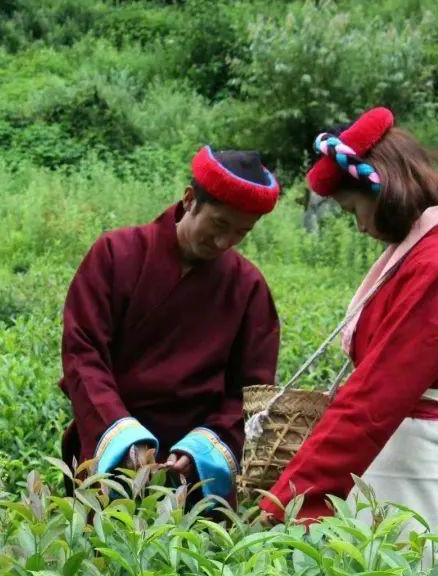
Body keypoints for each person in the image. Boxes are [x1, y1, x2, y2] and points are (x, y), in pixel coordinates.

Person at [259, 107, 438, 576]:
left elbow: (378, 391)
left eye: (354, 209)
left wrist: (292, 497)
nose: (358, 226)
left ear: (384, 186)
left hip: (418, 475)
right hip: (405, 462)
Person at [60, 146, 281, 506]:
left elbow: (250, 394)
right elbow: (83, 355)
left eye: (242, 232)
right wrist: (124, 436)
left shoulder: (248, 287)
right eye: (219, 224)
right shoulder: (116, 254)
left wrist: (200, 450)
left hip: (194, 471)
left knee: (191, 558)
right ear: (190, 199)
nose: (225, 242)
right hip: (111, 445)